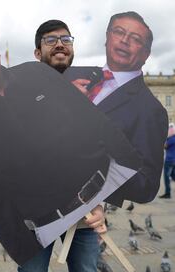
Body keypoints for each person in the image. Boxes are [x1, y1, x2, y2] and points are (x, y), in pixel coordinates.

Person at [0, 21, 140, 272]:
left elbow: (97, 126)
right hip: (36, 228)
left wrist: (105, 198)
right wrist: (25, 249)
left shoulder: (38, 74)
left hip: (92, 199)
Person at [19, 19, 104, 272]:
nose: (60, 44)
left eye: (66, 39)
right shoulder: (17, 94)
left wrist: (102, 204)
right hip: (34, 216)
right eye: (50, 40)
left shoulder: (94, 94)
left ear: (72, 48)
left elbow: (103, 152)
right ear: (37, 52)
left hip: (84, 213)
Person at [65, 11, 168, 206]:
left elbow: (145, 186)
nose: (124, 41)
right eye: (119, 32)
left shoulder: (150, 110)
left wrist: (90, 160)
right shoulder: (68, 75)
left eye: (135, 38)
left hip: (77, 217)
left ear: (145, 54)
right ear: (107, 37)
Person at [161, 130, 175, 198]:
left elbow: (165, 146)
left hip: (169, 160)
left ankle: (167, 193)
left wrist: (165, 139)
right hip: (173, 160)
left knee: (166, 177)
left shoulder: (171, 139)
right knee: (173, 176)